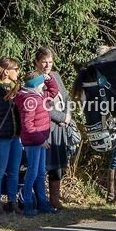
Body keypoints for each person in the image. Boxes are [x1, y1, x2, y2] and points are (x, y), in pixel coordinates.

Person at [34, 47, 76, 211]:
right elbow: (40, 105)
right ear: (37, 62)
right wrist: (61, 117)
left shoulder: (56, 76)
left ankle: (55, 199)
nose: (47, 65)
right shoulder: (35, 79)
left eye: (50, 62)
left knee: (57, 165)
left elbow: (66, 97)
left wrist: (68, 115)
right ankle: (40, 200)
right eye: (44, 61)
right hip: (45, 127)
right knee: (43, 165)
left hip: (61, 128)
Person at [15, 71, 60, 216]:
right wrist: (41, 140)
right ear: (36, 85)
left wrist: (49, 79)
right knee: (32, 173)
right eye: (42, 82)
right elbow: (28, 126)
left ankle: (42, 202)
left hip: (40, 141)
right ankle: (27, 202)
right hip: (34, 141)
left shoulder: (39, 95)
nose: (44, 85)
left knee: (40, 173)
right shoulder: (29, 99)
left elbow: (53, 91)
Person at [0, 57, 22, 216]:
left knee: (14, 170)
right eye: (15, 69)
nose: (18, 72)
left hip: (15, 134)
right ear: (6, 71)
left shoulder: (16, 88)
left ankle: (12, 201)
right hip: (1, 136)